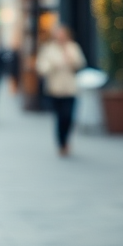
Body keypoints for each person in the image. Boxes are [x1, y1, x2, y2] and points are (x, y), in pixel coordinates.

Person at [35, 25, 85, 156]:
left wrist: (70, 59)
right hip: (55, 89)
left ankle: (66, 139)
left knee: (68, 116)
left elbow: (80, 64)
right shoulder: (49, 49)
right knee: (59, 117)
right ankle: (61, 142)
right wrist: (52, 66)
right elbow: (41, 67)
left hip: (70, 88)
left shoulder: (73, 47)